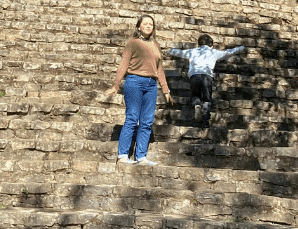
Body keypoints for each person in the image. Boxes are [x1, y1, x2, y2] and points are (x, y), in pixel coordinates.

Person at [103, 15, 172, 166]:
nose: (148, 26)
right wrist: (116, 85)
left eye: (151, 24)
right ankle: (122, 155)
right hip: (134, 81)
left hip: (151, 85)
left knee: (147, 122)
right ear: (139, 26)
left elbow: (159, 69)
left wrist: (165, 90)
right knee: (132, 118)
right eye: (145, 24)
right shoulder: (133, 43)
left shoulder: (156, 45)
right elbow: (123, 64)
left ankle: (141, 157)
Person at [167, 34, 247, 127]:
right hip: (207, 77)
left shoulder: (192, 51)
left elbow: (179, 52)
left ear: (198, 44)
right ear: (211, 45)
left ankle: (197, 105)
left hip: (194, 76)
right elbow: (228, 52)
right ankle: (205, 120)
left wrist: (169, 50)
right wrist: (241, 48)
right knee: (206, 99)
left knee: (195, 94)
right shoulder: (214, 52)